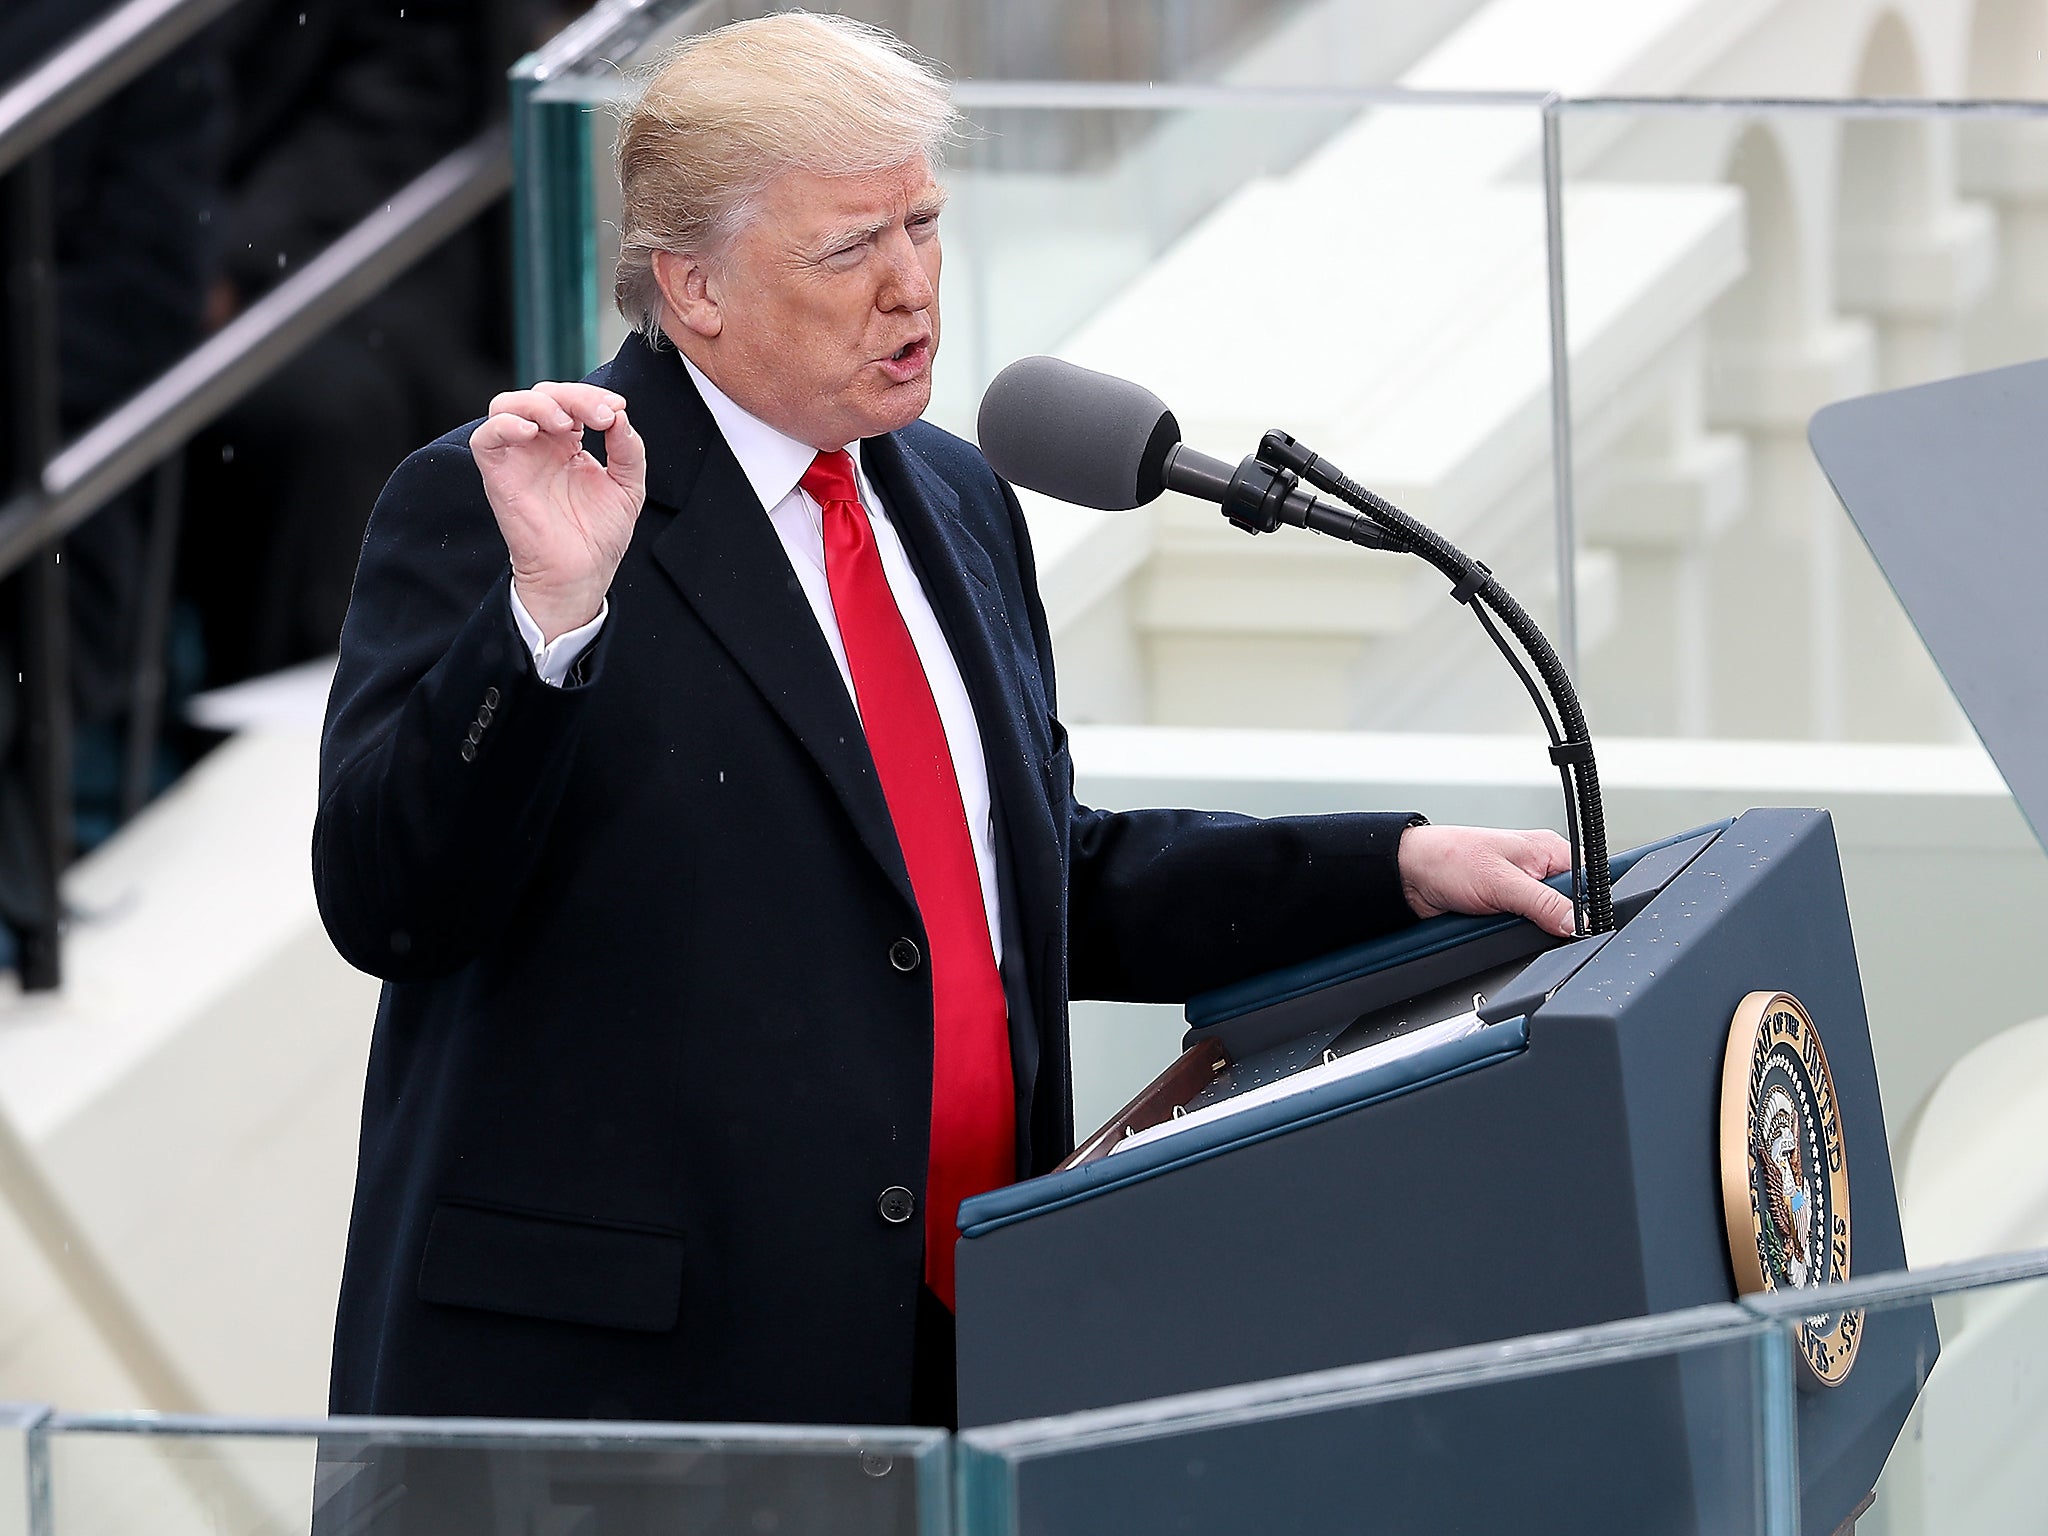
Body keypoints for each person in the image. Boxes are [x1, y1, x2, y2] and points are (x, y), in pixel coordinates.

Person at [315, 12, 1576, 1434]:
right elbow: (390, 903)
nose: (912, 284)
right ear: (696, 287)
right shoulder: (514, 504)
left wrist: (1389, 870)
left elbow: (1026, 886)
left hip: (950, 1367)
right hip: (633, 1408)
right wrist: (543, 626)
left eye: (922, 222)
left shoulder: (955, 496)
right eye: (849, 250)